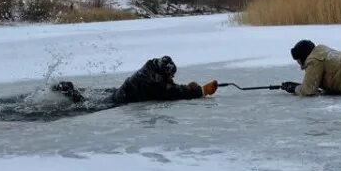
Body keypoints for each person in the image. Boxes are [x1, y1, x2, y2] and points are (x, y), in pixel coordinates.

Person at [51, 55, 218, 109]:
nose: (172, 78)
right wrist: (199, 90)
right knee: (89, 105)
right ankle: (69, 91)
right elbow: (173, 93)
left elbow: (169, 87)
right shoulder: (157, 83)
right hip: (121, 98)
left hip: (123, 89)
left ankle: (70, 90)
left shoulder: (149, 67)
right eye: (170, 76)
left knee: (96, 97)